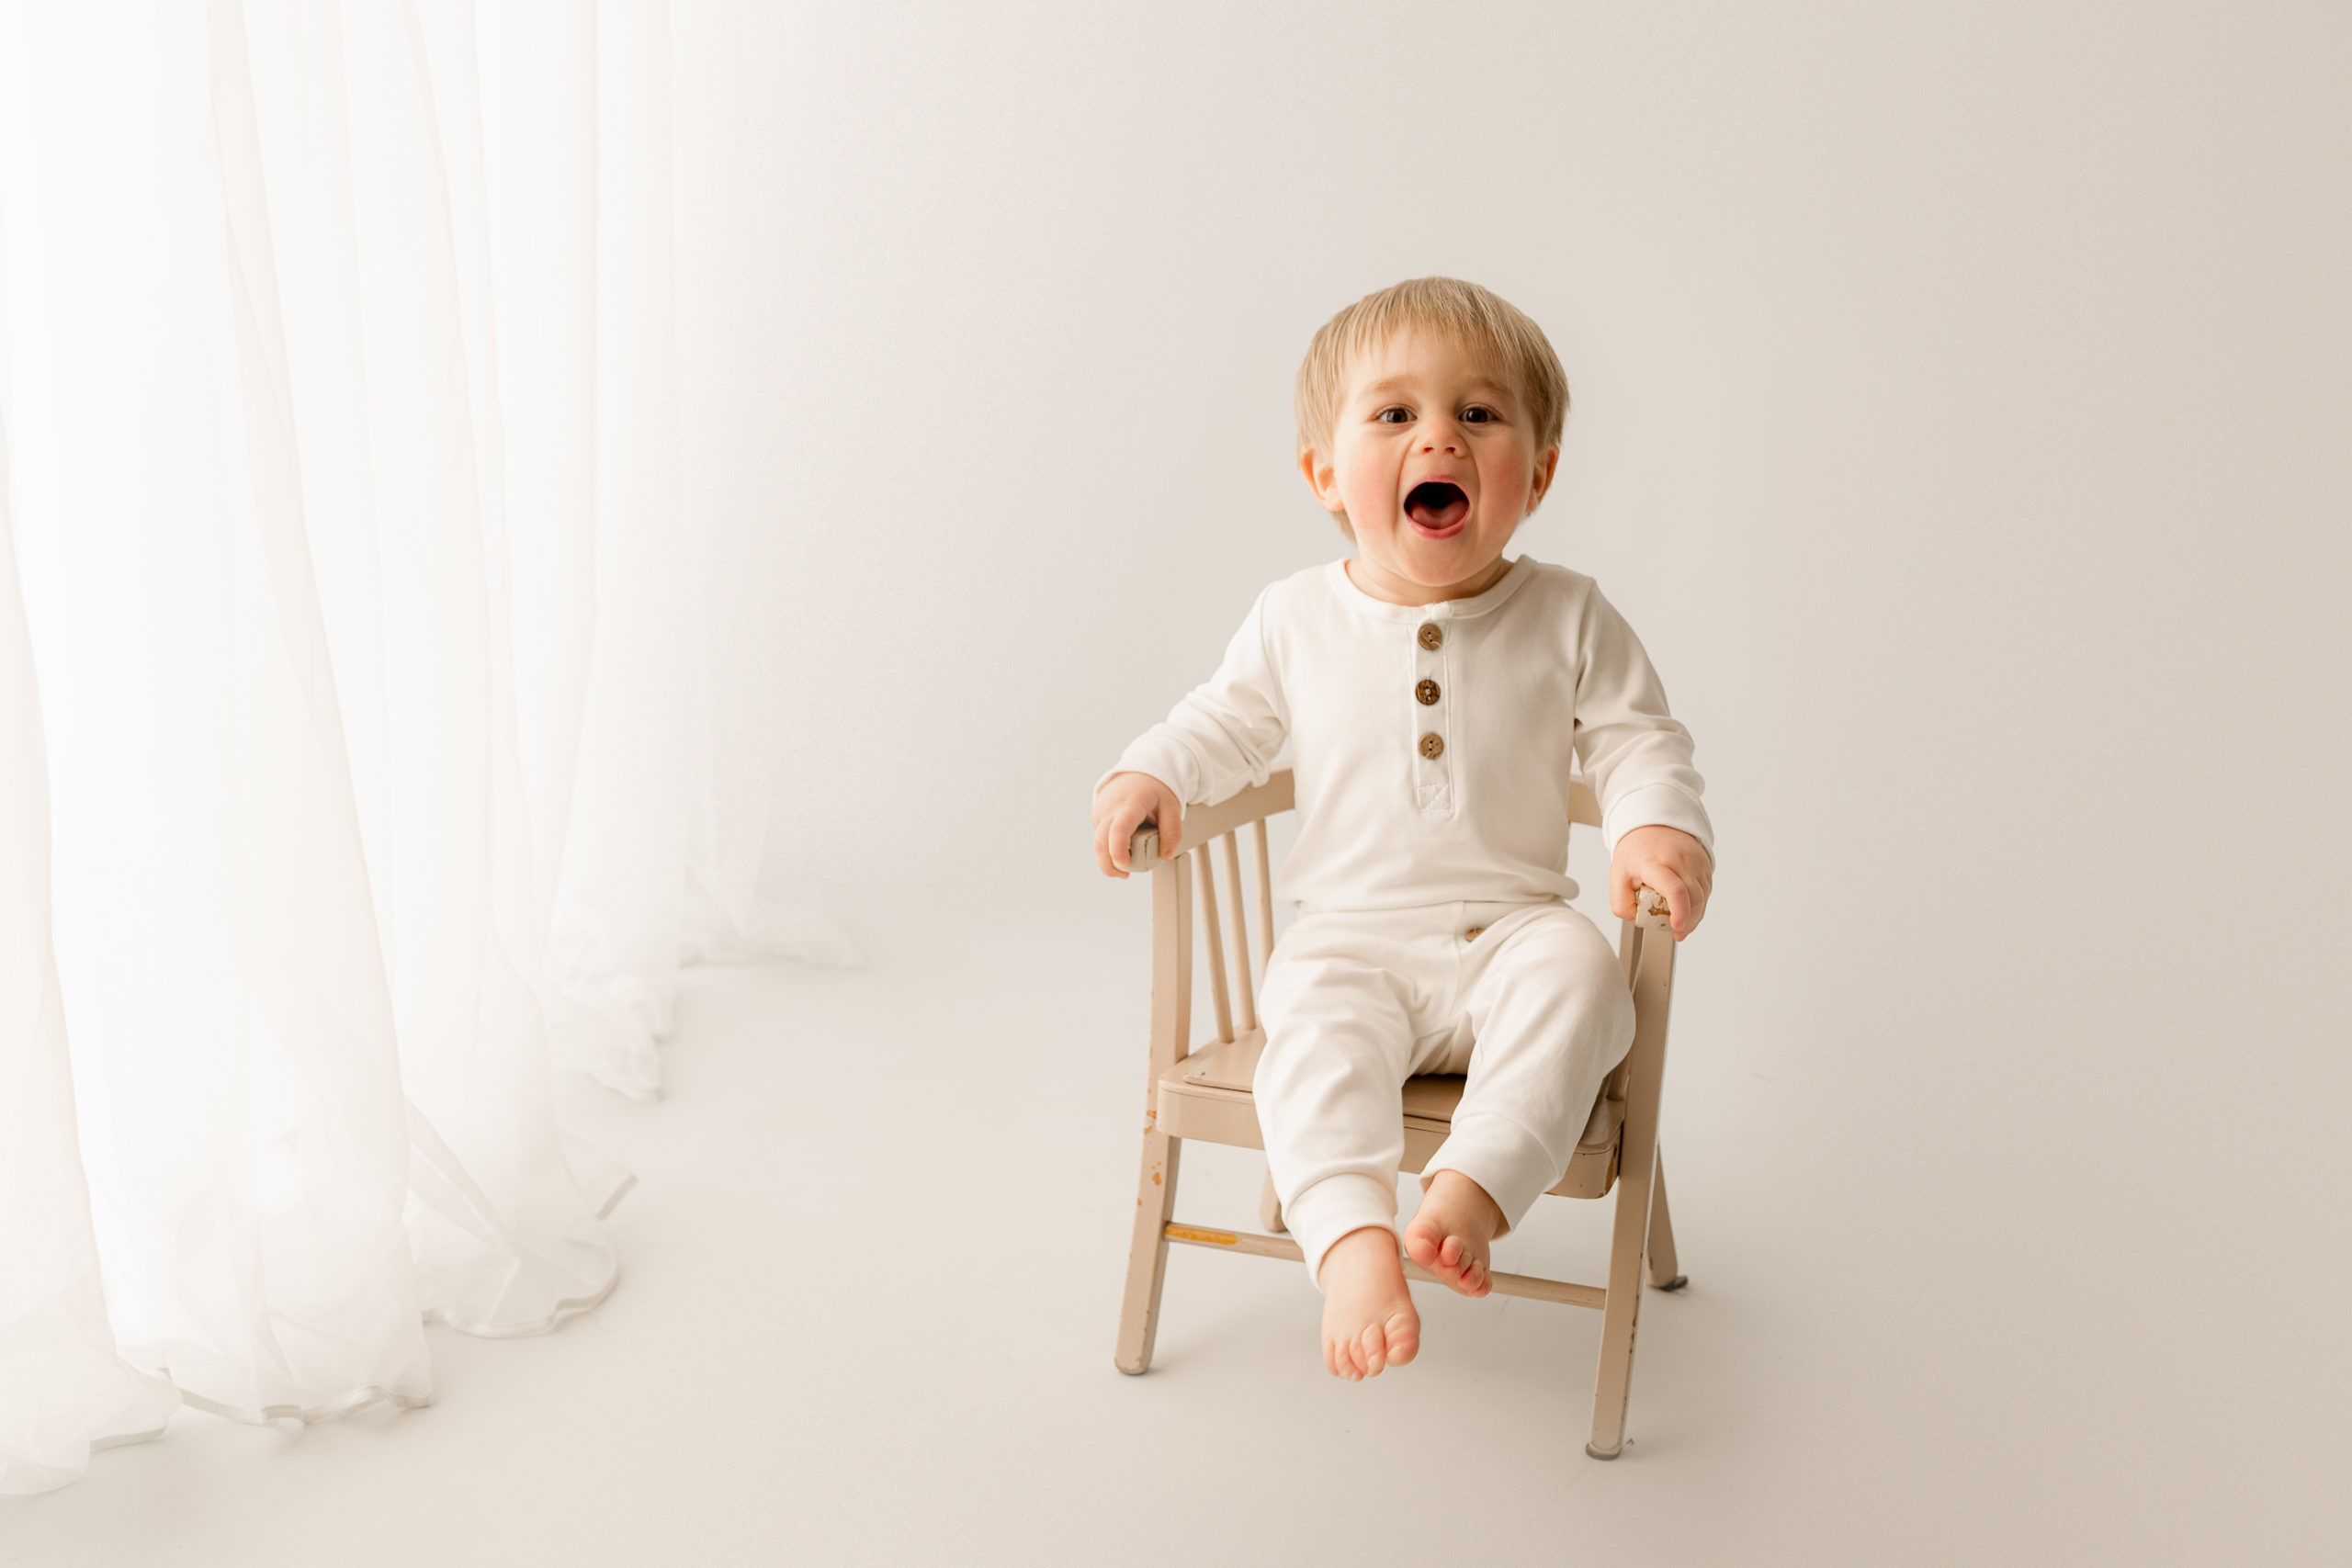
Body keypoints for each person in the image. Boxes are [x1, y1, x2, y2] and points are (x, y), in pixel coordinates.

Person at [1091, 277, 1714, 1382]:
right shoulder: (1295, 616)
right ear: (1325, 473)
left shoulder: (1568, 613)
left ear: (1541, 469)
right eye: (1394, 416)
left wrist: (1652, 828)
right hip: (1352, 941)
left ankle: (1470, 1191)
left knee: (1585, 983)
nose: (1440, 436)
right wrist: (1151, 771)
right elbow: (1224, 724)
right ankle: (1350, 1240)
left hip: (1509, 933)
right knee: (1310, 1038)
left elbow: (1635, 738)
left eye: (1480, 414)